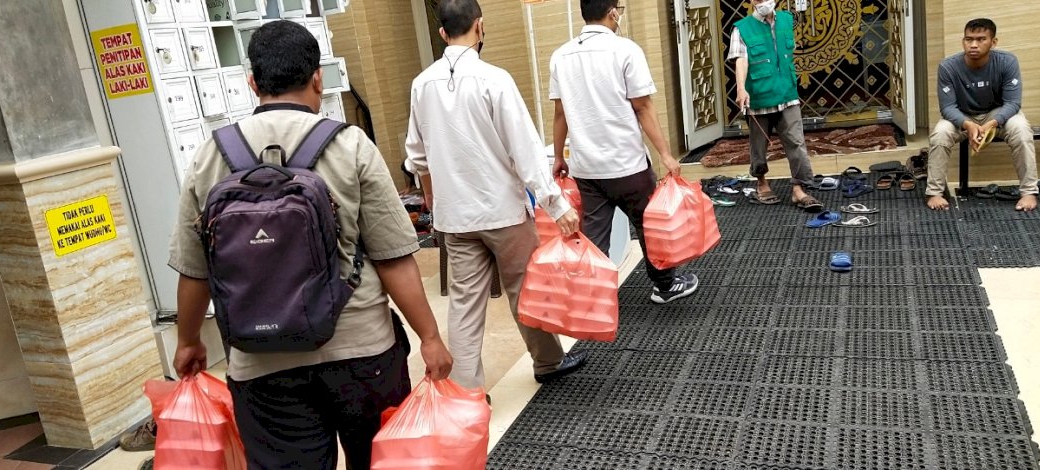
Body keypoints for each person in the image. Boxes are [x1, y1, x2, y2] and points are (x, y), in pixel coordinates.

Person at [167, 20, 452, 469]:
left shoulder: (210, 155)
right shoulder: (351, 145)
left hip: (261, 364)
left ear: (252, 82)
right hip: (361, 353)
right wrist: (431, 337)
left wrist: (188, 341)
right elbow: (394, 257)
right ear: (318, 78)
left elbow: (195, 269)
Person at [405, 0, 588, 389]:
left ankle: (468, 392)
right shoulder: (494, 79)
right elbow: (524, 150)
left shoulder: (421, 85)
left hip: (455, 218)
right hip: (503, 212)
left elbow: (417, 158)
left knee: (464, 306)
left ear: (442, 33)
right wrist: (556, 205)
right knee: (525, 288)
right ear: (480, 27)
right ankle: (548, 362)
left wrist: (436, 208)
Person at [550, 0, 700, 304]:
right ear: (612, 12)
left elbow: (559, 113)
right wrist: (666, 154)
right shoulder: (625, 50)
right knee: (649, 225)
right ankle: (665, 285)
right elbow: (643, 106)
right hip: (627, 165)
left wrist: (558, 156)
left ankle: (593, 300)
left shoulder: (560, 56)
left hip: (586, 168)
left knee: (594, 236)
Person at [925, 18, 1037, 211]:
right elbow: (947, 107)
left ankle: (1028, 192)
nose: (973, 44)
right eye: (968, 39)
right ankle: (934, 192)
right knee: (941, 131)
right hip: (962, 115)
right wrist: (968, 124)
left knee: (1020, 128)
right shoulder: (948, 67)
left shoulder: (1007, 61)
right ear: (963, 41)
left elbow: (1013, 103)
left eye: (981, 39)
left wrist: (992, 123)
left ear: (993, 42)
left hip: (997, 114)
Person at [728, 0, 823, 211]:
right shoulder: (741, 28)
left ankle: (799, 189)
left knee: (796, 143)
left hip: (787, 93)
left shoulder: (787, 20)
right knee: (758, 146)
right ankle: (761, 184)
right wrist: (741, 88)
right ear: (752, 1)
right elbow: (740, 60)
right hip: (759, 97)